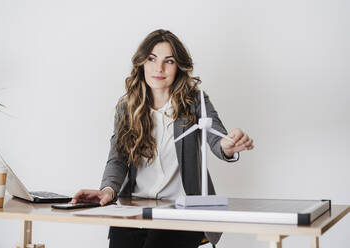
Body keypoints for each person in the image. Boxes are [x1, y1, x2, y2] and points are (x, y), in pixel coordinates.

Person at [71, 29, 254, 248]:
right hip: (133, 207)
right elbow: (118, 158)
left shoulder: (194, 100)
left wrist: (228, 146)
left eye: (169, 61)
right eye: (151, 59)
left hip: (181, 210)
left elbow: (217, 138)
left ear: (179, 67)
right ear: (142, 63)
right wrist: (108, 190)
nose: (159, 68)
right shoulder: (126, 107)